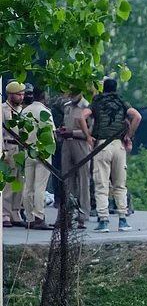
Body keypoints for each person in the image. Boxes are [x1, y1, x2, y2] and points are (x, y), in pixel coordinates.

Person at [78, 78, 141, 232]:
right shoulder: (121, 102)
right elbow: (137, 117)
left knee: (101, 184)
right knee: (120, 184)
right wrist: (128, 136)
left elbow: (82, 117)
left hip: (102, 146)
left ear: (103, 89)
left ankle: (103, 220)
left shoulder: (97, 102)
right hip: (118, 145)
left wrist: (88, 136)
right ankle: (122, 219)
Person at [20, 87, 54, 230]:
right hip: (43, 151)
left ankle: (29, 217)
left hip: (28, 150)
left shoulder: (25, 111)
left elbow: (20, 132)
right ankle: (39, 216)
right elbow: (51, 132)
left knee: (28, 185)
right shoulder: (45, 112)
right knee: (40, 186)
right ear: (44, 96)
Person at [58, 90, 92, 228]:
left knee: (83, 179)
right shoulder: (67, 106)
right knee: (67, 179)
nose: (71, 95)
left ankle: (83, 216)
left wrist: (73, 132)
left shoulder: (86, 107)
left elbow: (91, 130)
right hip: (67, 144)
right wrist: (63, 131)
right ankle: (67, 215)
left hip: (82, 144)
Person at [2, 81, 25, 228]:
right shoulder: (2, 109)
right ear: (10, 94)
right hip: (8, 146)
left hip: (21, 148)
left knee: (20, 182)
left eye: (22, 94)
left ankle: (15, 212)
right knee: (8, 183)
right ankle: (4, 214)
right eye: (18, 94)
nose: (21, 97)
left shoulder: (22, 110)